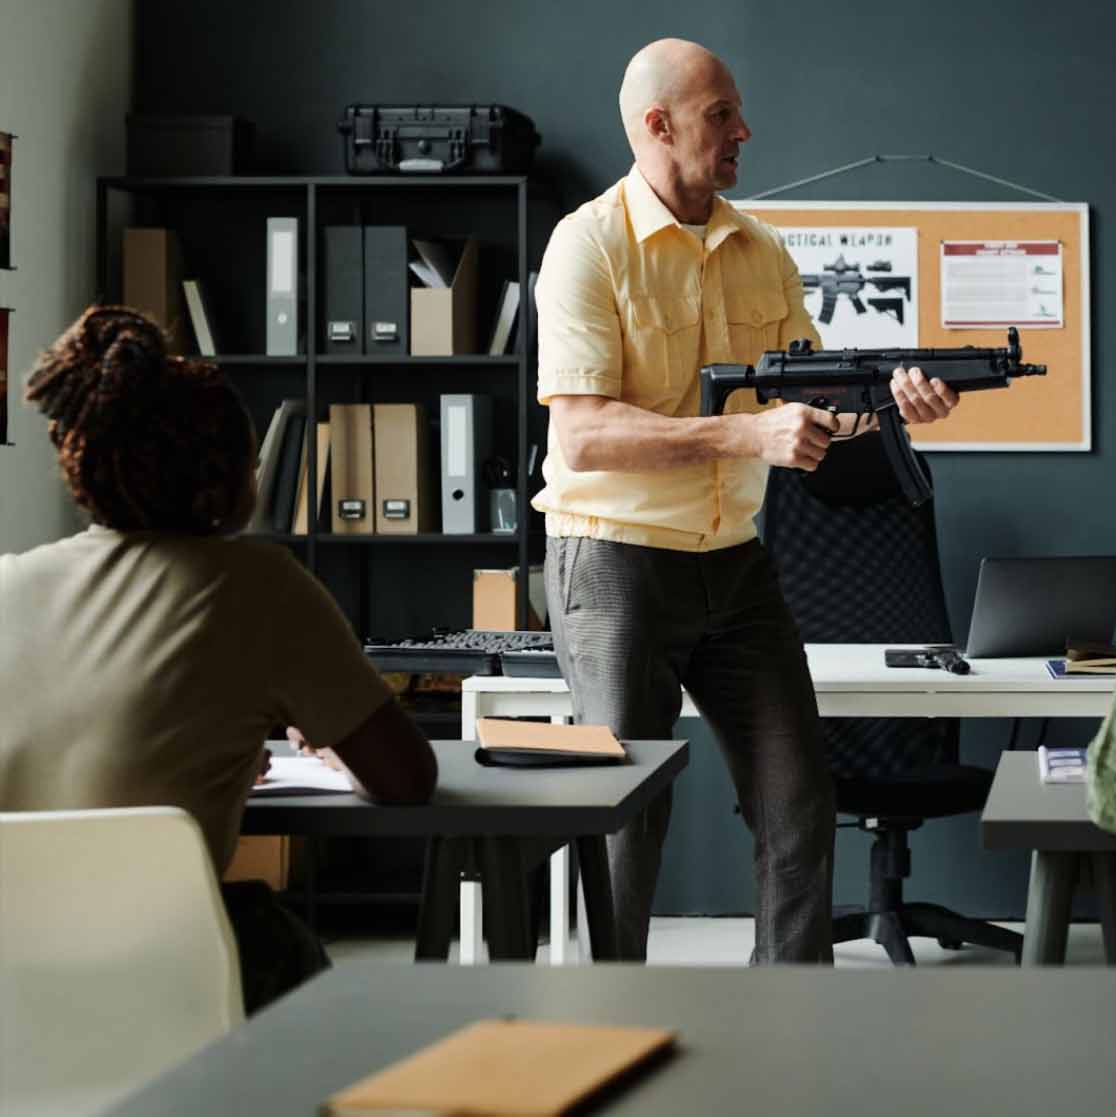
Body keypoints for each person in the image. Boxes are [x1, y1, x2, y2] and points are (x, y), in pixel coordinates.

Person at [533, 38, 958, 964]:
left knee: (799, 803)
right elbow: (581, 436)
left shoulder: (760, 249)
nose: (743, 130)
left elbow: (811, 407)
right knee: (625, 820)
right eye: (720, 113)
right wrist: (743, 434)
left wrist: (893, 404)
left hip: (732, 560)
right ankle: (610, 1029)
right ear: (657, 125)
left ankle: (785, 1031)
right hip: (612, 559)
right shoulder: (588, 243)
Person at [0, 306, 439, 1012]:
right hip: (160, 984)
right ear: (225, 473)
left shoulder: (8, 581)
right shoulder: (259, 587)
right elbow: (406, 777)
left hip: (12, 996)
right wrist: (329, 741)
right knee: (280, 942)